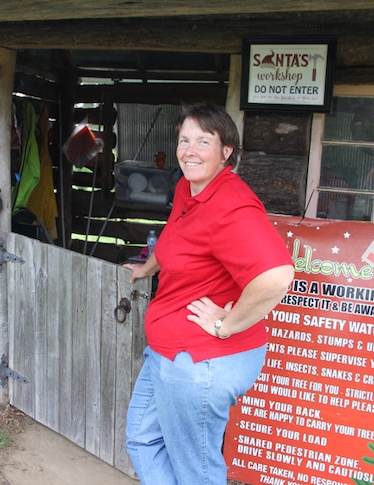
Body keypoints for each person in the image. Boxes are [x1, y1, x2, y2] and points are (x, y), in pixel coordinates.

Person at [123, 103, 295, 484]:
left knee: (196, 472)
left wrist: (225, 325)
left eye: (204, 141)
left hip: (200, 363)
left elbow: (278, 277)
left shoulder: (231, 205)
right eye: (185, 140)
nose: (190, 150)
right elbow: (176, 230)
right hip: (169, 354)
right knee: (141, 440)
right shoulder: (191, 186)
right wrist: (149, 266)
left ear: (226, 152)